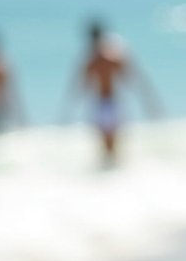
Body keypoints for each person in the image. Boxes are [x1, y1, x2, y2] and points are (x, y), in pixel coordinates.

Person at [64, 21, 158, 162]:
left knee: (110, 143)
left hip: (108, 103)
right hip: (105, 103)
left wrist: (147, 100)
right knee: (107, 143)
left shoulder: (101, 59)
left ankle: (112, 170)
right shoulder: (96, 60)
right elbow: (81, 86)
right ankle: (112, 170)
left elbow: (80, 87)